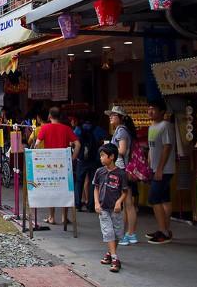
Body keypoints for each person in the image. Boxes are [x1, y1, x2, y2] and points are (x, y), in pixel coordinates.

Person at [34, 107, 81, 225]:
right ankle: (64, 217)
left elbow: (37, 144)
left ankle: (51, 217)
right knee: (65, 190)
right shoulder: (66, 129)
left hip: (48, 164)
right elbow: (78, 144)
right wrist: (73, 158)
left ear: (49, 116)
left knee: (51, 189)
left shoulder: (44, 128)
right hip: (64, 163)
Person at [106, 106, 139, 246]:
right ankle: (128, 233)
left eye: (113, 115)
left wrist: (109, 148)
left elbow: (122, 150)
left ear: (120, 117)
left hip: (123, 169)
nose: (111, 117)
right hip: (123, 169)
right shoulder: (121, 130)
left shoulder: (121, 131)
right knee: (126, 203)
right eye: (110, 115)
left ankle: (130, 233)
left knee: (128, 204)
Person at [93, 143, 128, 273]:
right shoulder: (99, 172)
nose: (101, 158)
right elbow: (96, 187)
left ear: (111, 156)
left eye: (103, 156)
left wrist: (119, 202)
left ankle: (109, 253)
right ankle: (115, 259)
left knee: (117, 234)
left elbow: (125, 191)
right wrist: (96, 203)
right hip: (103, 208)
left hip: (116, 209)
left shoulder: (121, 174)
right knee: (108, 232)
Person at [146, 100, 176, 244]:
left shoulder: (166, 126)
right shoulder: (152, 126)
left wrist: (159, 168)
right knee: (164, 198)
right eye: (149, 108)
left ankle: (163, 231)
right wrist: (150, 162)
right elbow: (152, 148)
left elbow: (167, 147)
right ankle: (165, 229)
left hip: (164, 169)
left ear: (162, 111)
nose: (150, 111)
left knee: (153, 198)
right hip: (155, 168)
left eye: (153, 109)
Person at [75, 116, 102, 213]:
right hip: (94, 160)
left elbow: (73, 142)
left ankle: (78, 205)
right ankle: (91, 206)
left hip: (81, 159)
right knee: (93, 182)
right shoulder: (97, 129)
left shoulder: (78, 129)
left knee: (79, 182)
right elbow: (103, 139)